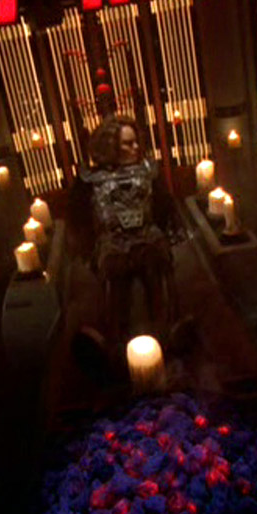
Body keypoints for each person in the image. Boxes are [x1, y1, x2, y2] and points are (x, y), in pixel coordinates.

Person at [68, 115, 178, 347]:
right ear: (110, 146)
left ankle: (165, 334)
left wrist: (167, 232)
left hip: (148, 237)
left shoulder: (148, 171)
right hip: (112, 242)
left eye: (136, 142)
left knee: (157, 274)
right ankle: (115, 342)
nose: (135, 147)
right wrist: (88, 250)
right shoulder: (90, 179)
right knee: (115, 284)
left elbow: (164, 206)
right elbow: (79, 219)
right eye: (128, 143)